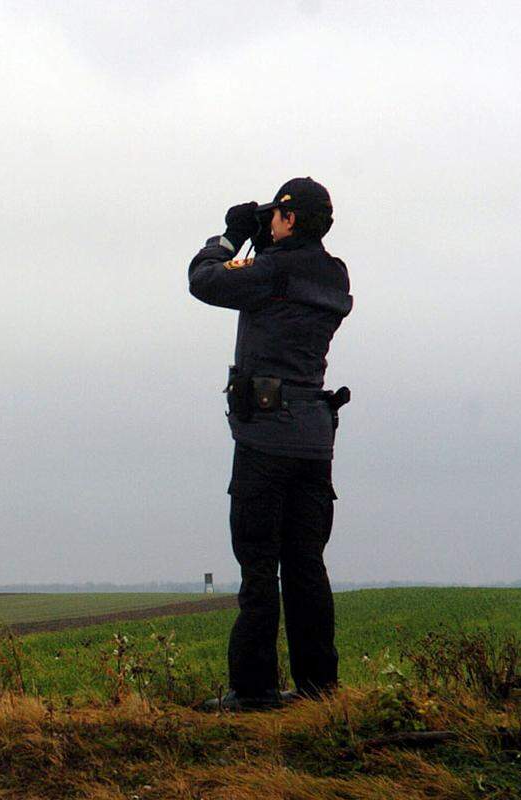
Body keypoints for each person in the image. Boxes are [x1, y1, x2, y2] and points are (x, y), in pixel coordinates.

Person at [186, 177, 353, 712]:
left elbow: (203, 280)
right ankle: (317, 690)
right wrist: (267, 242)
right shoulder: (334, 274)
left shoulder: (271, 272)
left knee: (259, 565)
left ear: (289, 219)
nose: (271, 220)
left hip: (264, 437)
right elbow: (278, 285)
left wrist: (230, 239)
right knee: (307, 564)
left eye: (277, 213)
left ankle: (254, 691)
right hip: (314, 442)